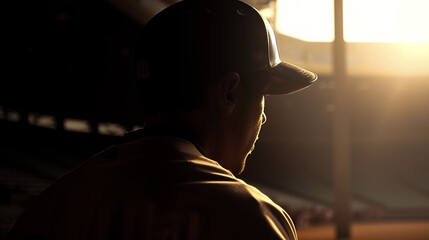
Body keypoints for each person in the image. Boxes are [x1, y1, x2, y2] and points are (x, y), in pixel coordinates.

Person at [7, 0, 317, 239]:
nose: (263, 118)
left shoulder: (49, 206)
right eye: (262, 95)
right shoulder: (248, 214)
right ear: (229, 93)